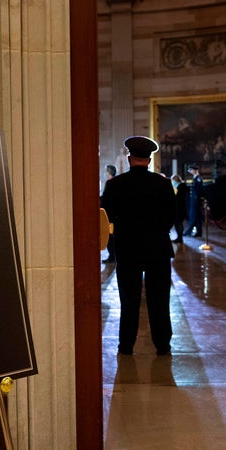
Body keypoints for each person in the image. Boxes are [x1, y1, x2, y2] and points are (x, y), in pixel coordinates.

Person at [100, 136, 176, 356]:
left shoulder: (114, 185)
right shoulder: (163, 183)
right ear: (149, 160)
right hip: (158, 250)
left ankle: (126, 345)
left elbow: (108, 216)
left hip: (128, 249)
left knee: (129, 299)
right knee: (160, 300)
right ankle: (163, 345)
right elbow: (172, 216)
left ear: (129, 158)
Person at [101, 164, 117, 264]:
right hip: (113, 213)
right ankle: (113, 255)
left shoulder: (109, 183)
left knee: (109, 236)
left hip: (109, 213)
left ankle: (112, 256)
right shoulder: (115, 182)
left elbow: (106, 198)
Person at [183, 164, 204, 237]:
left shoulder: (198, 178)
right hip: (193, 200)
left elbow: (199, 190)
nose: (190, 171)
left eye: (191, 170)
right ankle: (198, 232)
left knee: (194, 216)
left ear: (195, 171)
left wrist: (197, 199)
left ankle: (189, 231)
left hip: (196, 200)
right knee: (197, 217)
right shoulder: (195, 178)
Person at [171, 174, 188, 244]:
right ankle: (179, 237)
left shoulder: (181, 188)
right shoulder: (182, 187)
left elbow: (179, 200)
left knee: (178, 224)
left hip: (180, 209)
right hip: (181, 209)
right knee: (178, 224)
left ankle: (179, 238)